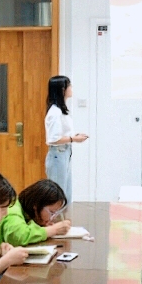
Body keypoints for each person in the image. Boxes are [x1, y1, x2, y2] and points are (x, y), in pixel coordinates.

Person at [0, 179, 74, 258]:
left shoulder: (24, 211)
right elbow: (17, 237)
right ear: (36, 205)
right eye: (51, 212)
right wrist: (52, 230)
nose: (52, 218)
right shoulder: (13, 209)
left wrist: (40, 225)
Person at [44, 75, 87, 203]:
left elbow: (62, 133)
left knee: (65, 196)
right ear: (62, 89)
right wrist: (73, 139)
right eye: (69, 86)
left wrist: (74, 136)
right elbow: (53, 139)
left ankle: (64, 217)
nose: (71, 88)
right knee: (57, 197)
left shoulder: (60, 111)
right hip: (58, 155)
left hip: (64, 154)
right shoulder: (55, 112)